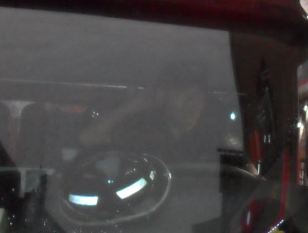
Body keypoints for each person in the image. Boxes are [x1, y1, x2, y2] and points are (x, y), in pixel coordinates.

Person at [78, 62, 220, 162]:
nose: (192, 101)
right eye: (182, 92)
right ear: (162, 96)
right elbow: (88, 138)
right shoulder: (139, 133)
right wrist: (132, 107)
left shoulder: (212, 138)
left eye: (198, 94)